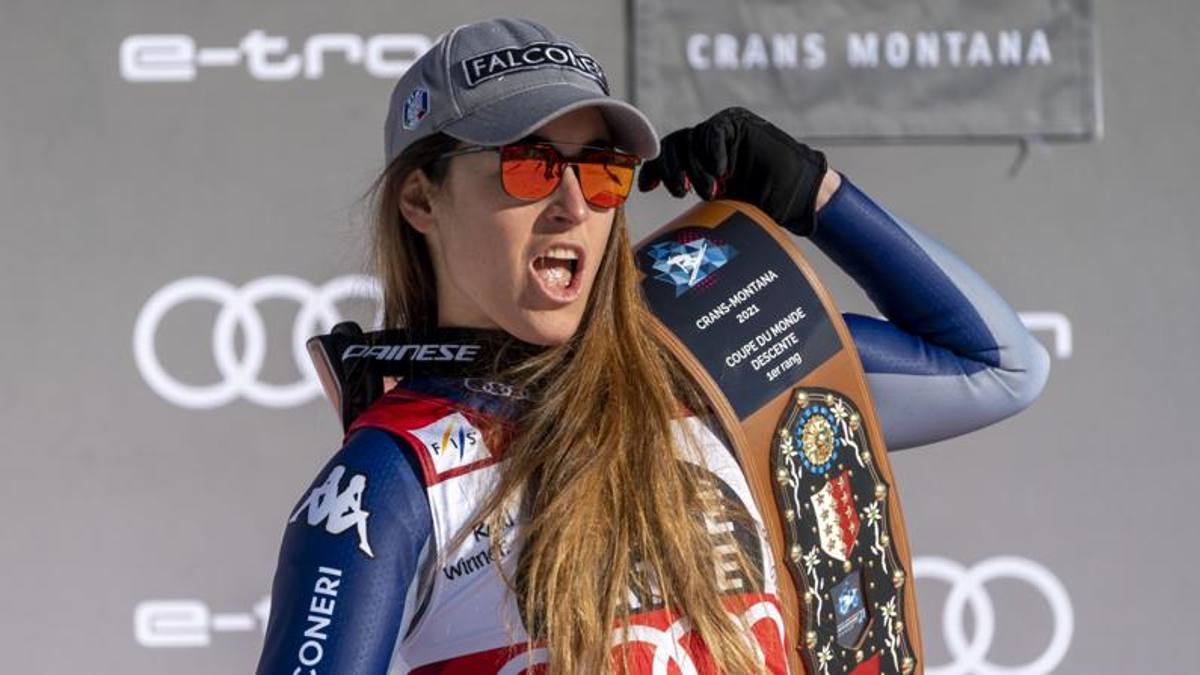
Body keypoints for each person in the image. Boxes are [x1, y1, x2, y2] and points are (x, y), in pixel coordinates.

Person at [256, 17, 1049, 675]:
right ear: (421, 199)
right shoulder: (391, 476)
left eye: (603, 172)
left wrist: (816, 194)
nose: (574, 205)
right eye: (531, 167)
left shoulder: (708, 356)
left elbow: (999, 368)